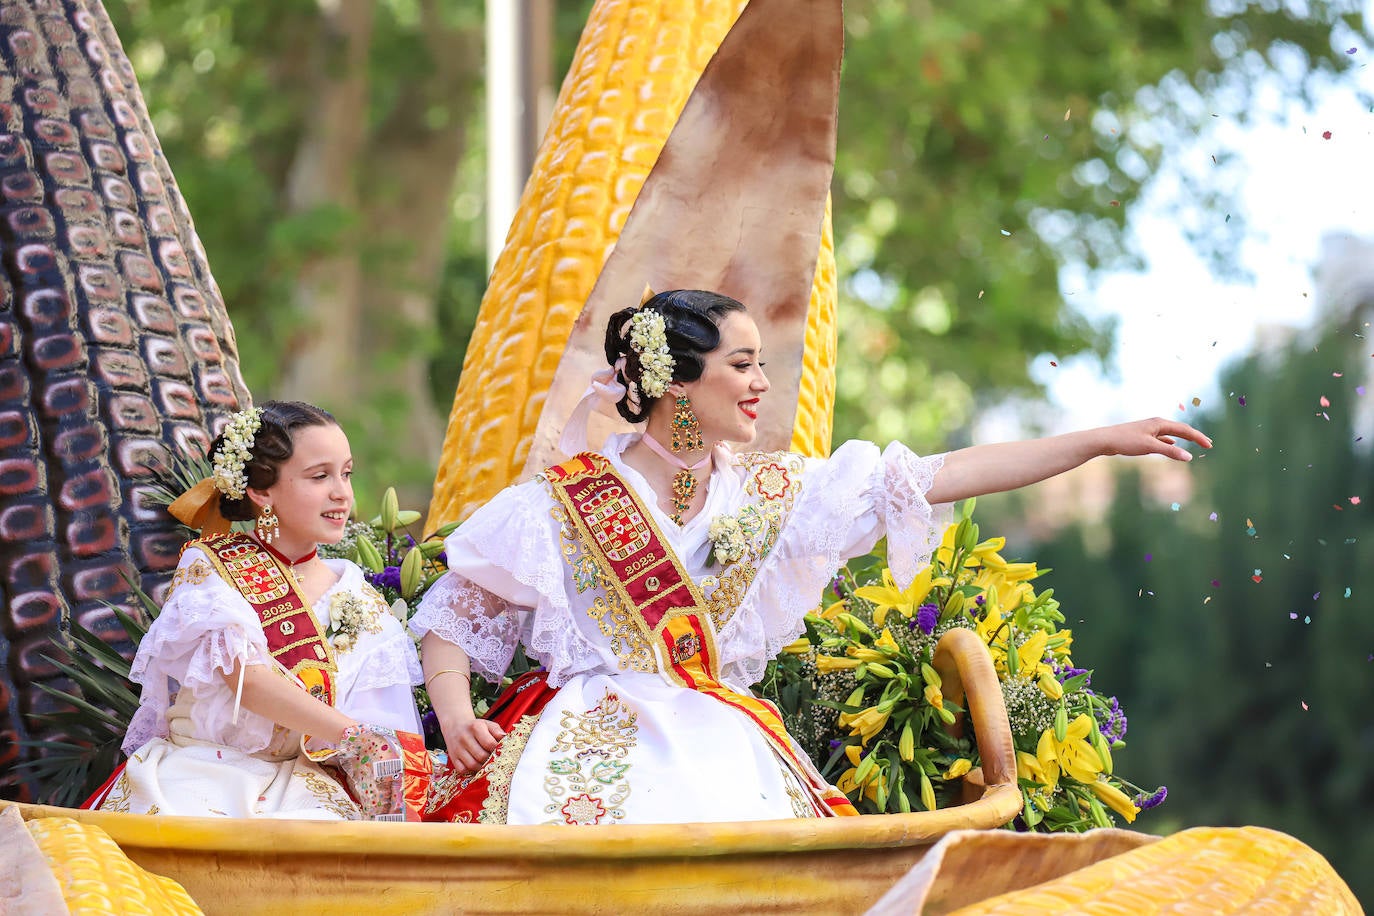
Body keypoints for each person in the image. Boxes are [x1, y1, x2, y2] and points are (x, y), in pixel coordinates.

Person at [411, 290, 1210, 826]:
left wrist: (1099, 441)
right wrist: (454, 714)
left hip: (724, 743)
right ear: (675, 383)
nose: (762, 382)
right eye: (742, 363)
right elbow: (455, 609)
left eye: (761, 361)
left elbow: (941, 475)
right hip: (586, 745)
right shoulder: (561, 500)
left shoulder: (779, 492)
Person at [95, 401, 423, 819]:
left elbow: (386, 723)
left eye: (346, 473)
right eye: (320, 476)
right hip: (204, 775)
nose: (341, 492)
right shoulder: (211, 567)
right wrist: (355, 737)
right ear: (261, 491)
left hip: (307, 786)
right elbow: (246, 680)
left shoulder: (359, 596)